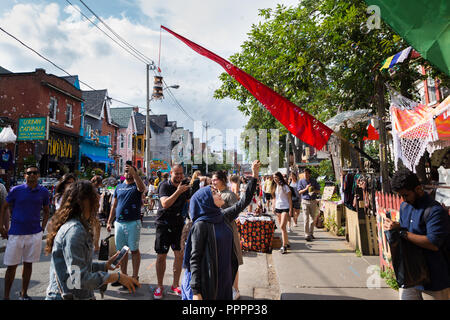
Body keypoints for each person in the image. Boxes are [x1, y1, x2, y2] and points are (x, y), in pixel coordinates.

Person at [45, 180, 140, 300]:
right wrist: (117, 277)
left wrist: (104, 265)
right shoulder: (75, 231)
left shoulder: (78, 226)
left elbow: (78, 266)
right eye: (94, 197)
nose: (98, 200)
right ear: (84, 201)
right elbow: (78, 278)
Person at [181, 160, 260, 300]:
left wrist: (254, 175)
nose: (218, 194)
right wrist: (196, 291)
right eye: (214, 193)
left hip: (225, 279)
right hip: (209, 283)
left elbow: (244, 202)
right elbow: (195, 260)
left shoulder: (222, 216)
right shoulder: (201, 225)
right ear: (206, 201)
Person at [384, 168, 450, 300]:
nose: (403, 199)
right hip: (410, 276)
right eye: (400, 196)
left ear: (418, 189)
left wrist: (402, 232)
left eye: (406, 195)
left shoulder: (434, 210)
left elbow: (433, 243)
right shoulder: (404, 207)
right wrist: (396, 228)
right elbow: (407, 233)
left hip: (434, 279)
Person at [2, 166, 50, 300]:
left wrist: (42, 227)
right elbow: (4, 207)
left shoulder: (44, 192)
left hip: (34, 234)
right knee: (11, 266)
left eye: (35, 173)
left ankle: (24, 294)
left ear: (38, 176)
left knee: (28, 265)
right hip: (16, 233)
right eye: (29, 173)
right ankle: (6, 296)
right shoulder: (16, 190)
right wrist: (1, 227)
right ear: (25, 175)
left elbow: (47, 211)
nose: (32, 175)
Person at [153, 164, 190, 299]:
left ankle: (175, 284)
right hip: (163, 224)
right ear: (171, 173)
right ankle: (159, 286)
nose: (179, 176)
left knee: (179, 255)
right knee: (161, 256)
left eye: (181, 174)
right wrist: (178, 191)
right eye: (177, 174)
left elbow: (189, 202)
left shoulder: (184, 186)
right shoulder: (164, 185)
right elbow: (165, 204)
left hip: (179, 225)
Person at [106, 164, 146, 287]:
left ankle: (134, 277)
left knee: (134, 250)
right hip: (119, 222)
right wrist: (109, 221)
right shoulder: (119, 187)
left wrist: (135, 174)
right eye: (126, 171)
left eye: (130, 171)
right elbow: (114, 205)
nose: (127, 173)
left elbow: (142, 188)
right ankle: (123, 277)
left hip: (133, 222)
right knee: (121, 252)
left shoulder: (136, 185)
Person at [211, 170, 243, 300]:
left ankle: (235, 289)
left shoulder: (229, 195)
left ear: (222, 180)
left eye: (215, 180)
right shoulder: (215, 193)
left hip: (229, 230)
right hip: (217, 232)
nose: (213, 182)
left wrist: (222, 206)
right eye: (212, 180)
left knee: (233, 260)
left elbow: (235, 213)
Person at [272, 172, 292, 254]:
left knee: (282, 226)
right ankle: (287, 242)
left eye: (276, 177)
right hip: (278, 208)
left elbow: (289, 199)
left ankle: (283, 246)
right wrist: (273, 207)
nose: (275, 179)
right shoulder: (275, 186)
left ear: (280, 177)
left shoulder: (285, 186)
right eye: (274, 177)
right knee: (282, 228)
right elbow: (275, 198)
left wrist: (290, 209)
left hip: (285, 207)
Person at [298, 168, 321, 242]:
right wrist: (306, 188)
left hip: (313, 201)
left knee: (312, 218)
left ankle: (311, 233)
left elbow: (319, 190)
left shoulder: (313, 181)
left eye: (307, 173)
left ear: (309, 174)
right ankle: (306, 234)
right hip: (305, 201)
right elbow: (299, 192)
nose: (305, 174)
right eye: (304, 173)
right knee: (306, 218)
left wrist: (314, 190)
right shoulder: (301, 181)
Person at [91, 175, 103, 252]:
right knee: (96, 228)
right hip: (92, 212)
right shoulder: (93, 189)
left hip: (91, 212)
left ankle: (95, 245)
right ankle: (96, 246)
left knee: (94, 228)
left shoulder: (89, 187)